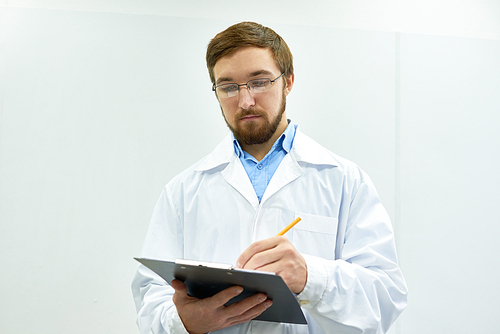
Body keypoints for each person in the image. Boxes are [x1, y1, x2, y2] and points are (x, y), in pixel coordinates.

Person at [132, 21, 408, 334]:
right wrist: (182, 323)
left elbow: (385, 299)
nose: (245, 101)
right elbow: (150, 300)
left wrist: (310, 277)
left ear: (288, 81)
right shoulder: (182, 192)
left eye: (259, 82)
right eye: (228, 87)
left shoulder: (345, 181)